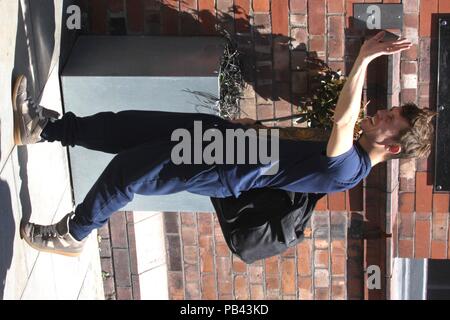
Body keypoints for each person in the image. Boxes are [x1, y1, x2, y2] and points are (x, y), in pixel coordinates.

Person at [14, 31, 435, 257]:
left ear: (393, 147)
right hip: (224, 140)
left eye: (388, 121)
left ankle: (74, 233)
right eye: (389, 110)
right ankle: (43, 129)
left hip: (220, 163)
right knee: (127, 128)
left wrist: (363, 57)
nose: (380, 114)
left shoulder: (349, 169)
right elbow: (291, 146)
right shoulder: (351, 157)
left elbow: (343, 118)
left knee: (127, 173)